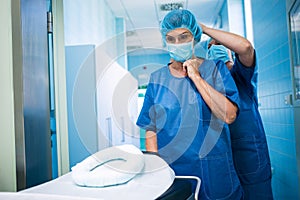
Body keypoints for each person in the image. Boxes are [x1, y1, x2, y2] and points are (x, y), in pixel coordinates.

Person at [136, 9, 244, 199]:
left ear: (194, 37)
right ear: (165, 42)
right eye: (171, 39)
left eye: (183, 37)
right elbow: (150, 128)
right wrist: (156, 168)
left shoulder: (215, 69)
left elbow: (229, 115)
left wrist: (196, 76)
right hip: (175, 175)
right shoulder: (157, 80)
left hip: (216, 173)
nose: (177, 44)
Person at [199, 25, 273, 200]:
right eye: (211, 46)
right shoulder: (207, 83)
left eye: (220, 44)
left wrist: (204, 29)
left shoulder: (241, 76)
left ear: (230, 50)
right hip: (221, 164)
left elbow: (246, 47)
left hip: (250, 161)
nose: (216, 47)